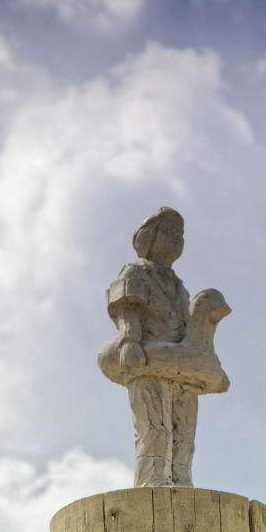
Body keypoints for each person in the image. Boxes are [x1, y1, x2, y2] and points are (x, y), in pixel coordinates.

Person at [105, 207, 198, 487]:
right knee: (154, 428)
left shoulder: (180, 288)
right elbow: (127, 308)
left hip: (181, 365)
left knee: (183, 432)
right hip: (145, 360)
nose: (176, 238)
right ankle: (152, 483)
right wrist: (130, 341)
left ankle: (182, 483)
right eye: (168, 232)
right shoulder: (135, 272)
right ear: (149, 238)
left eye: (179, 234)